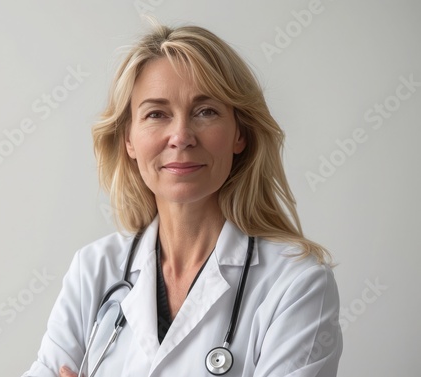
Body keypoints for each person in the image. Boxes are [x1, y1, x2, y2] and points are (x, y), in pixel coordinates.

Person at [22, 22, 342, 377]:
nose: (181, 136)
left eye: (206, 111)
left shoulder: (297, 284)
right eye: (156, 114)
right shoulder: (94, 270)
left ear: (240, 134)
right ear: (129, 138)